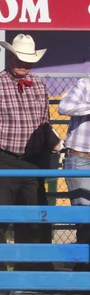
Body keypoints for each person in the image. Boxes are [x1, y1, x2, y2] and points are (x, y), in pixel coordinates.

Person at [0, 34, 60, 270]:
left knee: (36, 218)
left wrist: (54, 149)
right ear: (10, 57)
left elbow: (44, 124)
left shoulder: (39, 85)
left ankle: (35, 272)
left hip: (33, 163)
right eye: (19, 58)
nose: (23, 63)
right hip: (1, 161)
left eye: (28, 59)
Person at [58, 77, 90, 253]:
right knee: (85, 216)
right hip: (81, 158)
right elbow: (64, 107)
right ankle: (83, 267)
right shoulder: (85, 84)